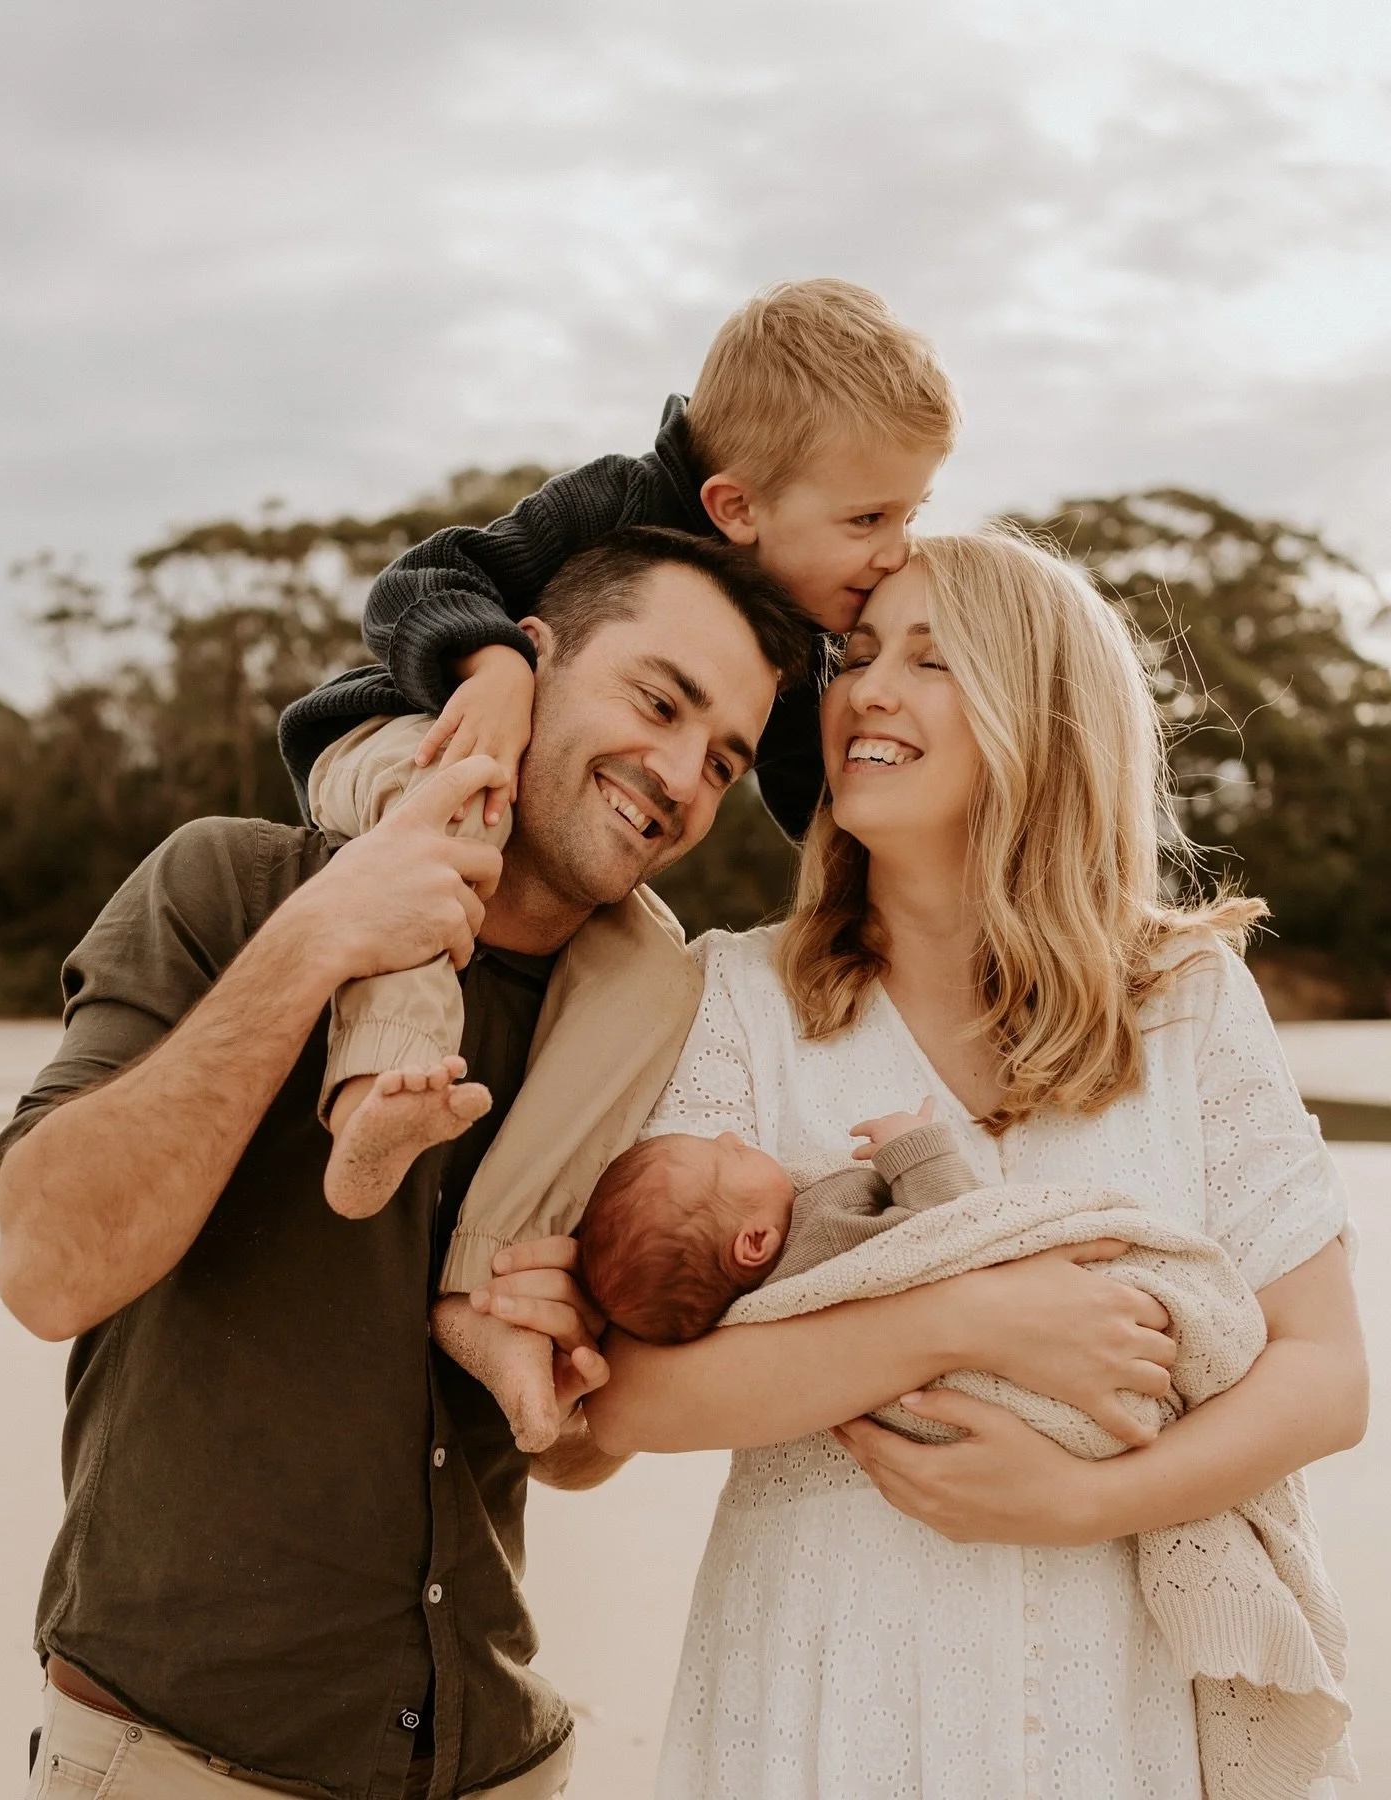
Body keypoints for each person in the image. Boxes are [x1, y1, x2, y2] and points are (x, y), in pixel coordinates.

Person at [0, 530, 806, 1800]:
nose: (683, 778)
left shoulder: (651, 1027)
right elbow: (46, 1272)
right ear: (529, 664)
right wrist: (312, 944)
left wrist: (580, 1352)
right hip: (178, 1762)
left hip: (497, 1758)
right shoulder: (228, 884)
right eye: (658, 701)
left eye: (726, 759)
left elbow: (574, 1452)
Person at [574, 531, 1369, 1798]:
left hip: (1128, 1699)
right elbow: (629, 1397)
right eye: (861, 654)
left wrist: (1082, 1502)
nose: (867, 690)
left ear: (1044, 719)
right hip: (825, 1689)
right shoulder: (738, 996)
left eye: (934, 660)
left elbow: (1326, 1377)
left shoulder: (1187, 1001)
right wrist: (967, 1316)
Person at [275, 279, 958, 1238]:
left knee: (653, 974)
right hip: (413, 741)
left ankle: (494, 1271)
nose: (896, 551)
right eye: (867, 521)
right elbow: (419, 578)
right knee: (450, 822)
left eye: (909, 515)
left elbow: (818, 800)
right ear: (735, 505)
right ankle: (375, 1087)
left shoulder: (798, 645)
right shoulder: (620, 500)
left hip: (538, 827)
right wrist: (498, 666)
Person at [578, 1099, 973, 1342]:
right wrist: (916, 1148)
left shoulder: (796, 1250)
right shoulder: (829, 1232)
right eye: (729, 1157)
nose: (730, 1137)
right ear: (754, 1242)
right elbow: (946, 1236)